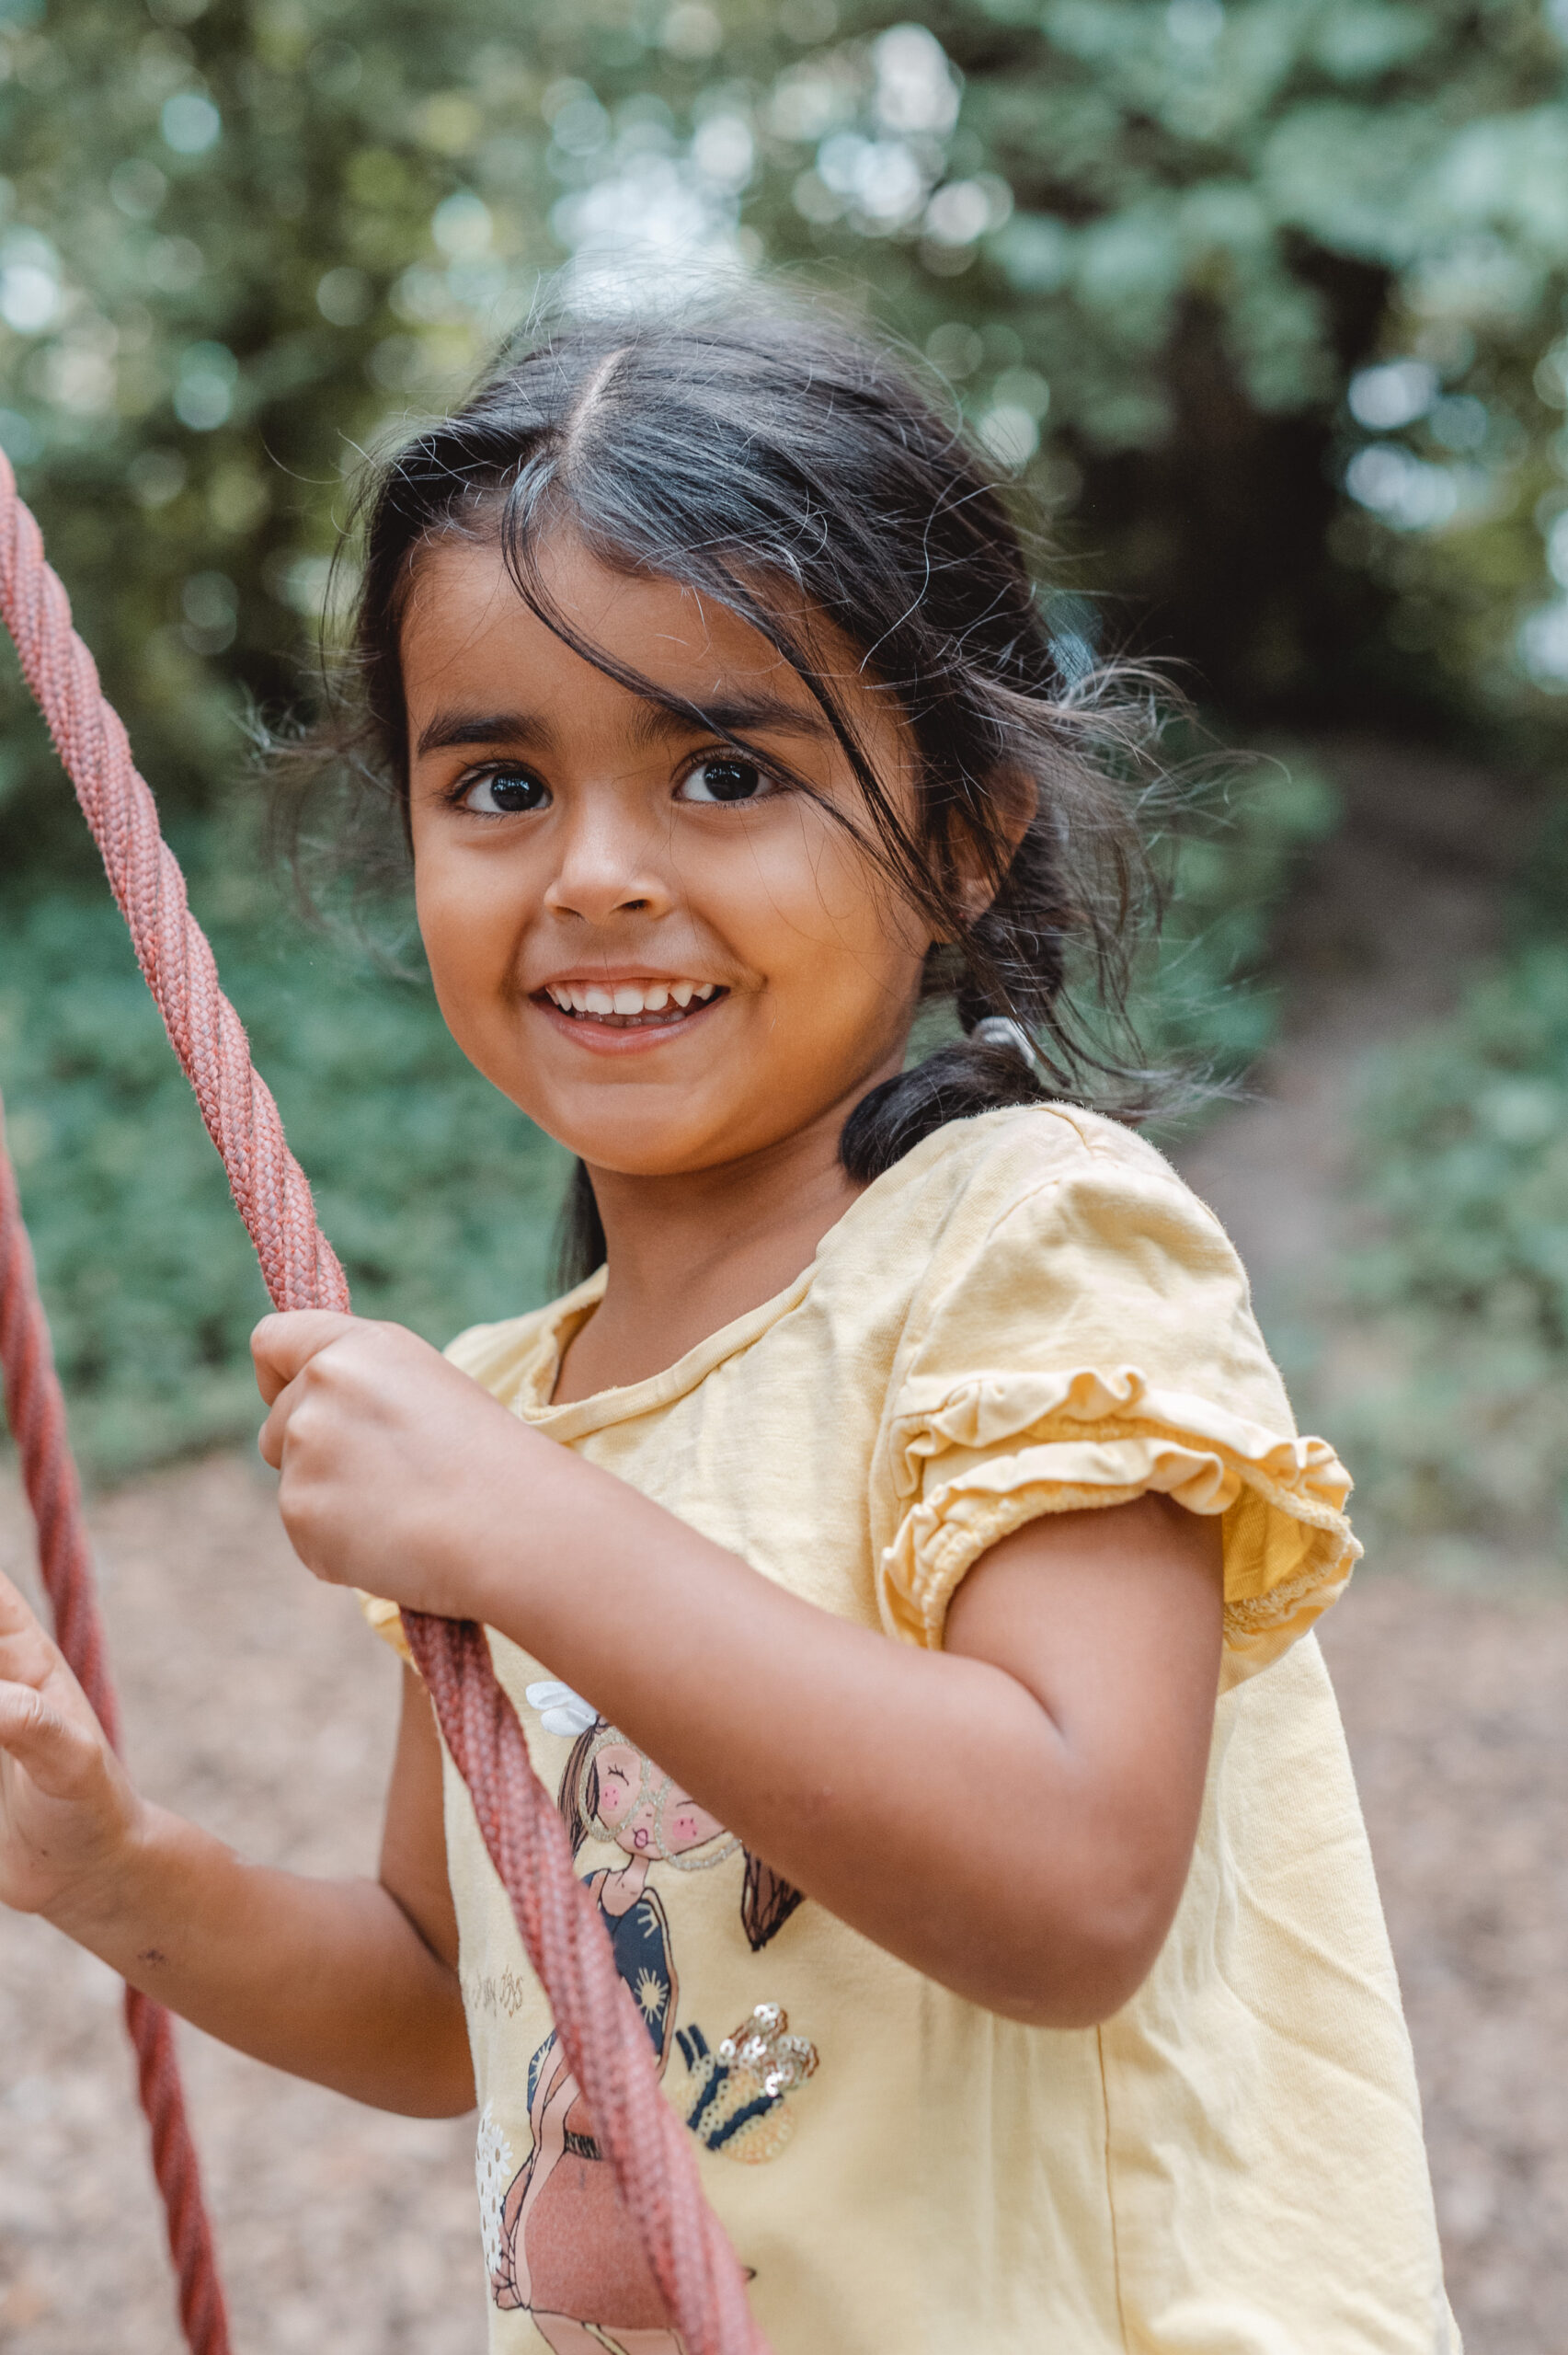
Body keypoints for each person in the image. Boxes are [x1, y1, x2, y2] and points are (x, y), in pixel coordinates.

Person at [0, 307, 1457, 2353]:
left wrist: (521, 1529)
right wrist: (114, 1863)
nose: (596, 875)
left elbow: (1071, 1883)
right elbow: (446, 1984)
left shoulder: (1030, 1247)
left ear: (960, 830)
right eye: (499, 781)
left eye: (722, 771)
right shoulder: (509, 1407)